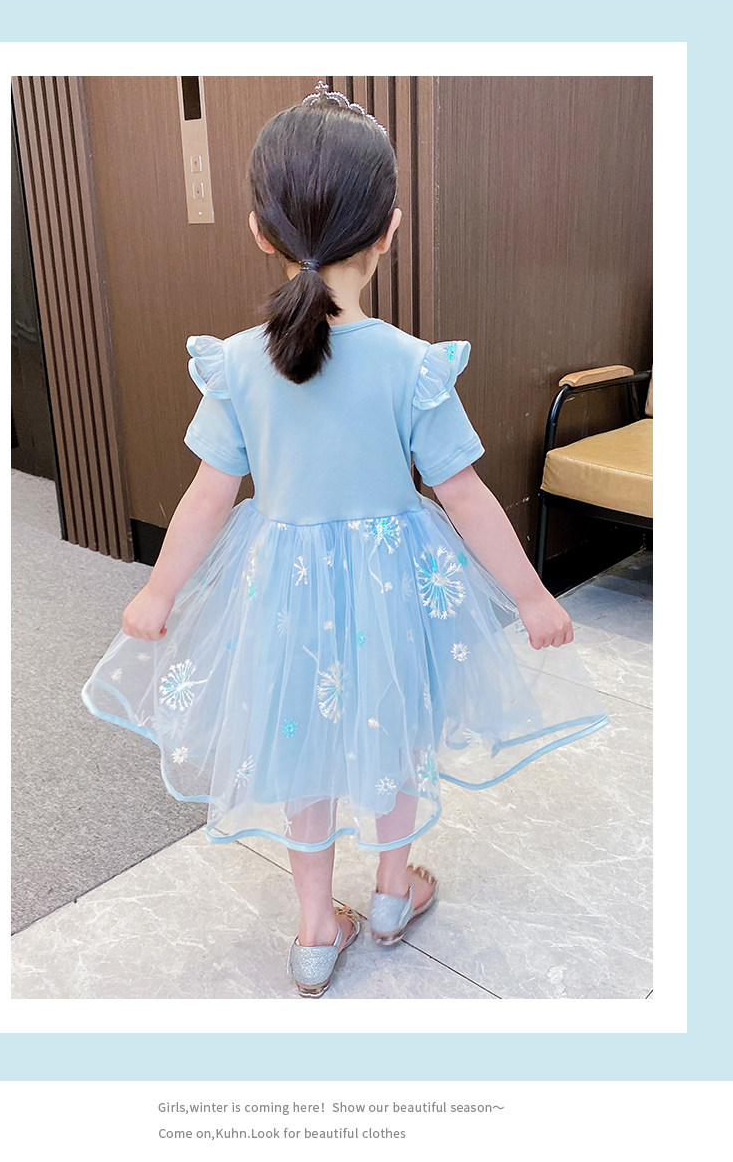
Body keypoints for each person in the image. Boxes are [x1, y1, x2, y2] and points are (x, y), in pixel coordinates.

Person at [82, 83, 607, 998]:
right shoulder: (411, 365)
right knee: (395, 732)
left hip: (282, 592)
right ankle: (394, 892)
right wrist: (529, 595)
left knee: (300, 744)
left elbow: (209, 493)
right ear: (390, 229)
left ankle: (316, 931)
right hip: (395, 589)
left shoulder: (238, 363)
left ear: (260, 230)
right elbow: (465, 494)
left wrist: (159, 592)